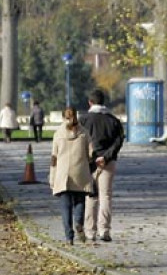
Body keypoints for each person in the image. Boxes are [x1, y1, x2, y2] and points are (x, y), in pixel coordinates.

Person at [79, 89, 124, 242]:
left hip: (89, 163)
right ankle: (104, 230)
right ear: (104, 102)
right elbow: (119, 141)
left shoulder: (84, 120)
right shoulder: (113, 120)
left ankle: (90, 231)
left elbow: (81, 141)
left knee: (90, 196)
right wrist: (106, 157)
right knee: (106, 196)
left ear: (90, 102)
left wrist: (92, 157)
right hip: (108, 162)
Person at [49, 107, 94, 245]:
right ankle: (79, 222)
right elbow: (91, 154)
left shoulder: (58, 134)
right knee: (80, 201)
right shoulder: (84, 133)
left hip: (63, 175)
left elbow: (54, 157)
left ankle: (69, 237)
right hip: (80, 172)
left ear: (63, 118)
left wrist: (52, 177)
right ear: (76, 116)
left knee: (65, 207)